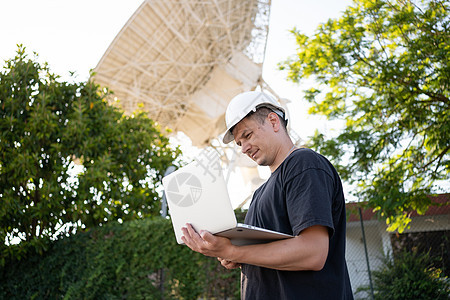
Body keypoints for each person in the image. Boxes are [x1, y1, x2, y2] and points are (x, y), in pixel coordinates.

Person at [181, 91, 353, 299]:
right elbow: (270, 252)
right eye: (239, 143)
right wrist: (237, 255)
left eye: (247, 135)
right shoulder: (260, 194)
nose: (243, 148)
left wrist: (233, 252)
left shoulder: (304, 164)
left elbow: (313, 252)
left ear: (273, 121)